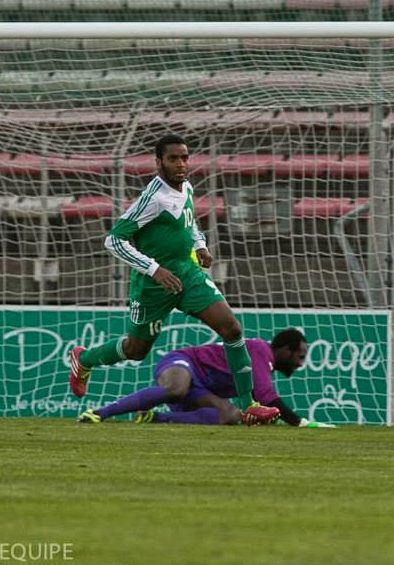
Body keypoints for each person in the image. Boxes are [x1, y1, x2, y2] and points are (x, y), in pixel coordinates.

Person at [68, 135, 279, 424]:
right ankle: (86, 359)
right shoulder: (153, 198)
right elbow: (114, 240)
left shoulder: (187, 187)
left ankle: (248, 406)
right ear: (158, 162)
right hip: (153, 285)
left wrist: (200, 245)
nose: (181, 164)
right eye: (173, 158)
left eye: (184, 157)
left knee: (231, 329)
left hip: (187, 275)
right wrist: (155, 269)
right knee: (136, 350)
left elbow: (190, 222)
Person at [78, 328, 334, 427]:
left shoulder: (263, 362)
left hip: (200, 390)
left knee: (231, 415)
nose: (301, 363)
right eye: (300, 357)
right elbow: (266, 396)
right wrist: (300, 423)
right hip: (183, 363)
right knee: (177, 388)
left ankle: (156, 418)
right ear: (285, 351)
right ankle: (101, 412)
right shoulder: (260, 350)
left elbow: (258, 404)